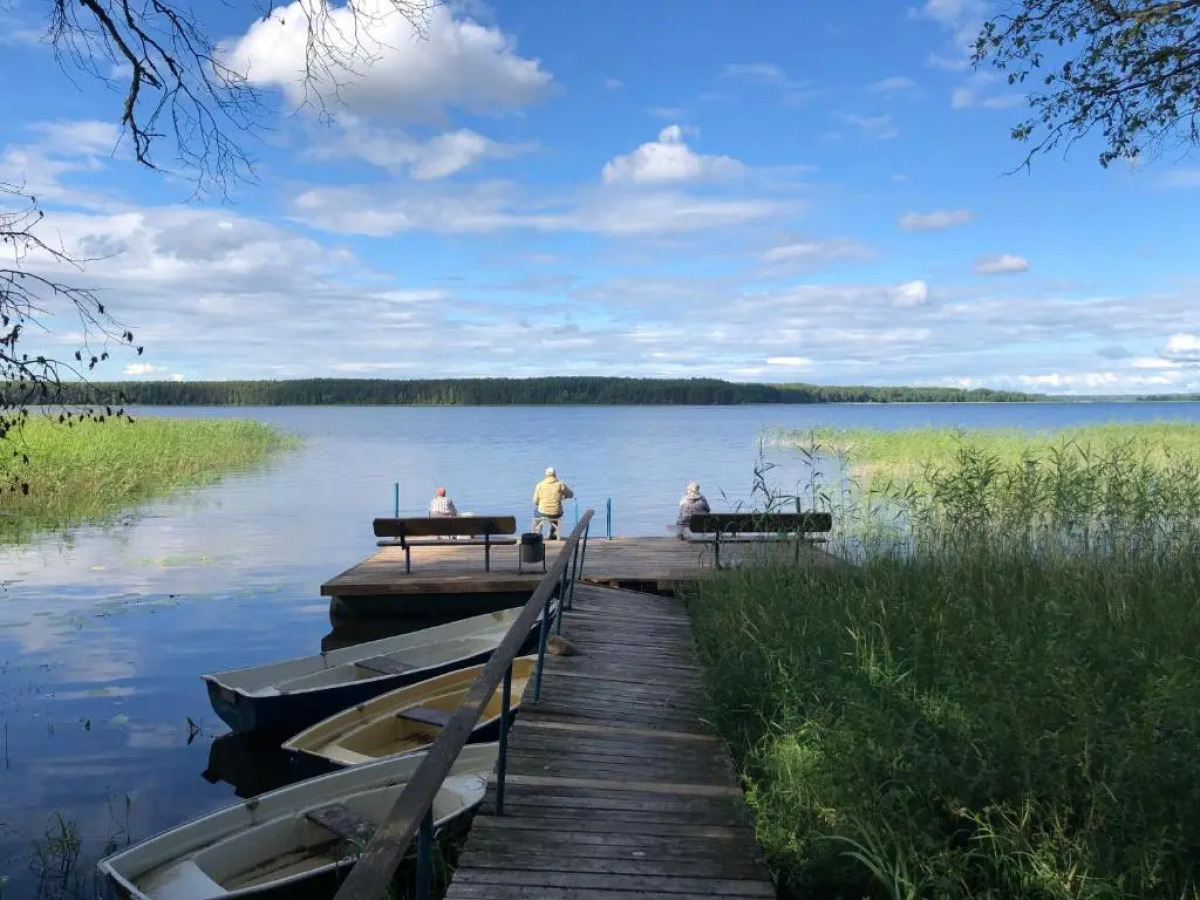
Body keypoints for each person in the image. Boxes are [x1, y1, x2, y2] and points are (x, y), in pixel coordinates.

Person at [532, 466, 574, 540]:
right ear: (555, 475)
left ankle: (537, 533)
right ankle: (552, 532)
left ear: (545, 475)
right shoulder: (560, 484)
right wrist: (563, 496)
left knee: (536, 510)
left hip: (542, 511)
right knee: (557, 513)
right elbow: (570, 495)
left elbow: (535, 501)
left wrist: (541, 503)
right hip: (556, 512)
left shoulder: (540, 485)